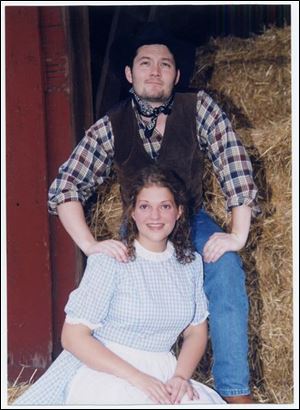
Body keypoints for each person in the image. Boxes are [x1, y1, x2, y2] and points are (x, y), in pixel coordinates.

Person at [48, 22, 259, 403]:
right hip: (142, 224)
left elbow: (235, 168)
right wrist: (90, 244)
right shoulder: (111, 125)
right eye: (145, 63)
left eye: (165, 64)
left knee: (225, 267)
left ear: (177, 75)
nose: (155, 71)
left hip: (188, 218)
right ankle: (121, 366)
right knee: (120, 277)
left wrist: (237, 235)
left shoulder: (199, 108)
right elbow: (66, 186)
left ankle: (234, 391)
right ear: (130, 74)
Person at [14, 165, 225, 405]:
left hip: (164, 371)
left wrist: (180, 376)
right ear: (132, 213)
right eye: (144, 206)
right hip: (105, 370)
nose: (154, 216)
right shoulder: (111, 259)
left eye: (164, 206)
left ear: (178, 212)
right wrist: (138, 378)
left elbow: (196, 332)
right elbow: (72, 337)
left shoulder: (190, 264)